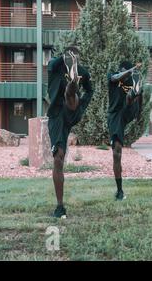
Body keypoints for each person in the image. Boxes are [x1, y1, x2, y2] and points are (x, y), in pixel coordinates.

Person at [47, 46, 93, 218]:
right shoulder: (54, 66)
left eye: (75, 57)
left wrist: (83, 105)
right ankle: (60, 207)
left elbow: (90, 90)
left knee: (71, 95)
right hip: (57, 115)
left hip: (72, 109)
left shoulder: (83, 72)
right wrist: (64, 58)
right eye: (69, 56)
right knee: (58, 158)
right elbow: (51, 64)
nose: (72, 58)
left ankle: (73, 83)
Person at [107, 61, 143, 200]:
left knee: (133, 95)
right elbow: (116, 78)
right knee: (117, 152)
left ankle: (133, 91)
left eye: (125, 70)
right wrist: (131, 70)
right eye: (122, 70)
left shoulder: (133, 77)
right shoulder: (113, 76)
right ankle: (119, 190)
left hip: (129, 110)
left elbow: (141, 98)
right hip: (115, 115)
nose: (122, 72)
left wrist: (139, 114)